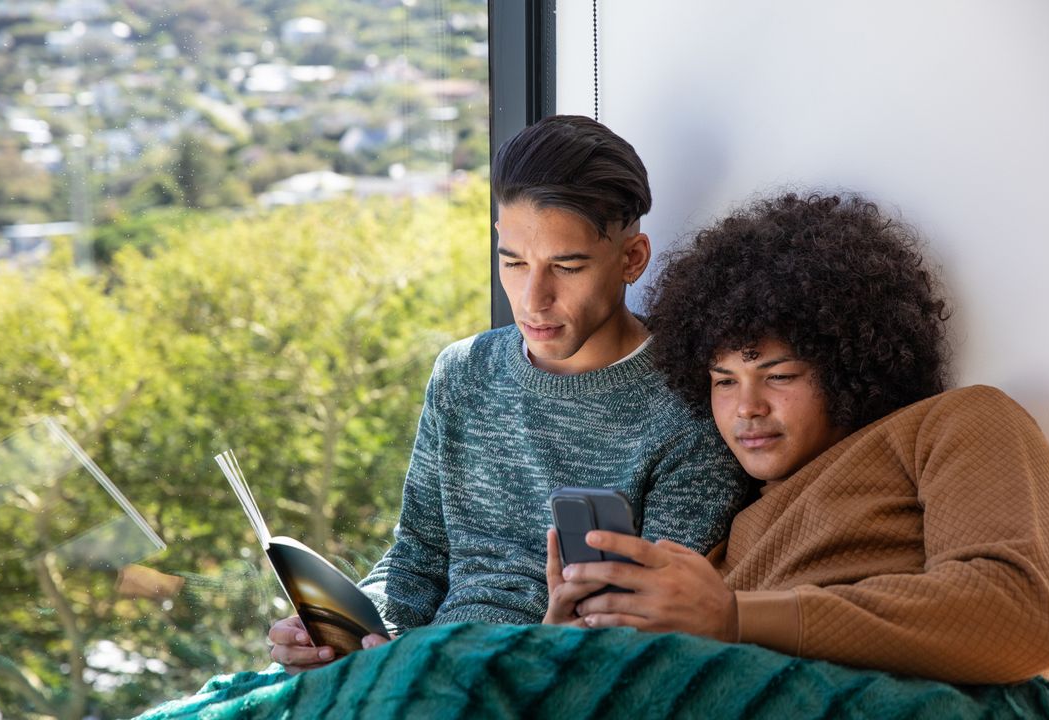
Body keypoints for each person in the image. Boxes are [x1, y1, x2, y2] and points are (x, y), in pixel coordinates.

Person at [268, 115, 747, 672]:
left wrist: (538, 648)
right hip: (421, 669)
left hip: (547, 681)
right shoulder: (463, 372)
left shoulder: (691, 404)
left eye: (566, 267)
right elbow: (417, 562)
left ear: (632, 259)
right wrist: (340, 630)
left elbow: (652, 629)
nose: (532, 300)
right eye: (513, 262)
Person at [545, 192, 1049, 684]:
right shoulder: (733, 530)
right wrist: (578, 644)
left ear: (849, 365)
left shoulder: (957, 421)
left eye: (779, 376)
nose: (746, 408)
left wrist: (731, 616)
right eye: (724, 381)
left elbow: (1019, 616)